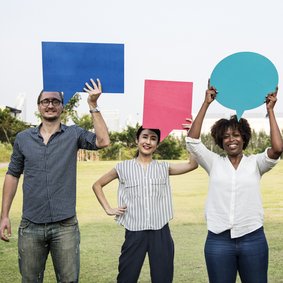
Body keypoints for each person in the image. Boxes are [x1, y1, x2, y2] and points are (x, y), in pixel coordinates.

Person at [0, 78, 110, 283]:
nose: (50, 105)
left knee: (68, 280)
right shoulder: (23, 139)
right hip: (30, 225)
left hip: (65, 226)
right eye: (45, 101)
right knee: (30, 280)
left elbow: (103, 141)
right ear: (39, 106)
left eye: (55, 101)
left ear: (62, 106)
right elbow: (12, 175)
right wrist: (4, 215)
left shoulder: (73, 134)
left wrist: (93, 105)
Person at [185, 81, 283, 283]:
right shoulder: (213, 162)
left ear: (244, 138)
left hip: (253, 238)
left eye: (236, 135)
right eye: (226, 136)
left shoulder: (256, 163)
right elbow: (192, 141)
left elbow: (278, 148)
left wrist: (270, 111)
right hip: (218, 240)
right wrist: (206, 103)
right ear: (220, 141)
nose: (231, 139)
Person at [93, 126, 198, 283]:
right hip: (134, 232)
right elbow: (97, 185)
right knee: (126, 278)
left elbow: (192, 164)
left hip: (161, 232)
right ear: (137, 140)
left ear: (157, 144)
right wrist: (108, 208)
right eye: (144, 137)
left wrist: (190, 134)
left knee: (163, 278)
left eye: (153, 139)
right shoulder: (122, 167)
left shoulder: (164, 167)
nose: (148, 142)